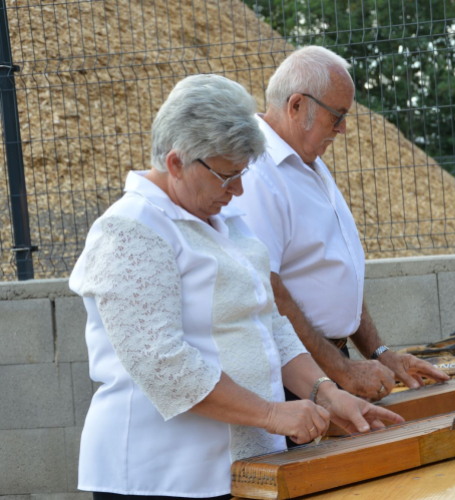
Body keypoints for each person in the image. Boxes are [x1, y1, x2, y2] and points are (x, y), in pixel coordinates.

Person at [68, 74, 401, 500]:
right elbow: (164, 365)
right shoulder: (130, 229)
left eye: (243, 173)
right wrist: (271, 413)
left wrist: (327, 393)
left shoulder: (224, 221)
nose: (239, 190)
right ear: (176, 163)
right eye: (228, 176)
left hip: (240, 467)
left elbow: (268, 323)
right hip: (163, 477)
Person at [230, 46, 449, 402]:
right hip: (296, 378)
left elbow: (336, 270)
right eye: (337, 115)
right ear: (297, 105)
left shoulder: (305, 157)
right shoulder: (258, 173)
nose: (344, 128)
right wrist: (342, 371)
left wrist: (380, 354)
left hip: (328, 365)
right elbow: (266, 290)